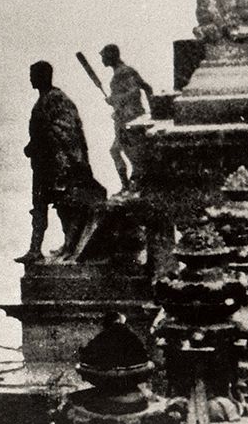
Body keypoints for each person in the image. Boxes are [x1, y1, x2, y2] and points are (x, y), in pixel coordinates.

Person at [18, 61, 97, 264]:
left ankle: (70, 245)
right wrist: (33, 145)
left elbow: (66, 129)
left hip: (57, 164)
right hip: (43, 163)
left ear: (44, 76)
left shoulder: (56, 98)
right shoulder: (44, 99)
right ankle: (35, 249)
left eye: (34, 74)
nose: (31, 78)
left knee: (64, 206)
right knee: (39, 205)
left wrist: (39, 144)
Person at [100, 44, 153, 190]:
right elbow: (145, 87)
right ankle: (127, 185)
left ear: (111, 56)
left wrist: (115, 99)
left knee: (132, 153)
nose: (102, 60)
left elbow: (135, 92)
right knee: (116, 151)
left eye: (104, 56)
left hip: (130, 118)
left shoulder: (123, 72)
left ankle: (132, 184)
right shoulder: (123, 71)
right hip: (124, 118)